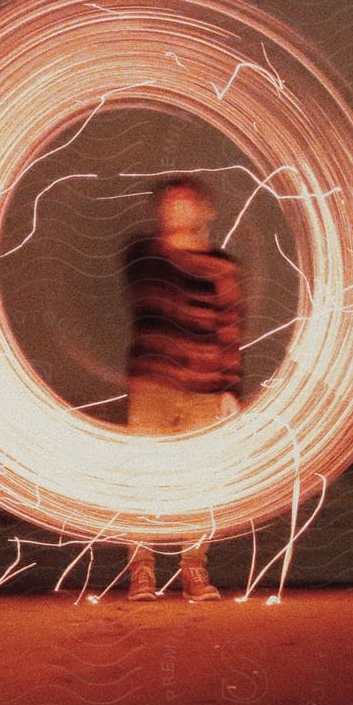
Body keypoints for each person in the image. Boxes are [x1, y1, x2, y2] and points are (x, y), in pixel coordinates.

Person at [119, 176, 243, 603]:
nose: (177, 209)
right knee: (143, 481)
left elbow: (229, 328)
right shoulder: (144, 254)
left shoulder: (224, 266)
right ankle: (142, 573)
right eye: (170, 203)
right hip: (153, 381)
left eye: (187, 202)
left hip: (205, 386)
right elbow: (152, 289)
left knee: (198, 482)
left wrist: (230, 389)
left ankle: (194, 571)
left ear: (205, 211)